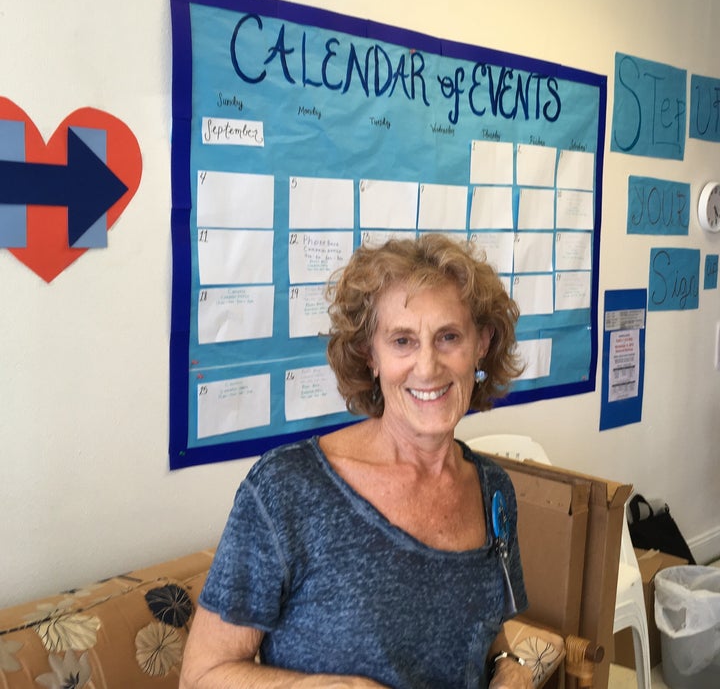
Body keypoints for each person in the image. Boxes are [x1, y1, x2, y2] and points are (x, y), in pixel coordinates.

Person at [180, 234, 531, 689]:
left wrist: (508, 664)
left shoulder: (493, 490)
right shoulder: (287, 490)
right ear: (371, 355)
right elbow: (201, 676)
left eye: (449, 337)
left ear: (481, 343)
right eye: (402, 340)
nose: (427, 367)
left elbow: (482, 626)